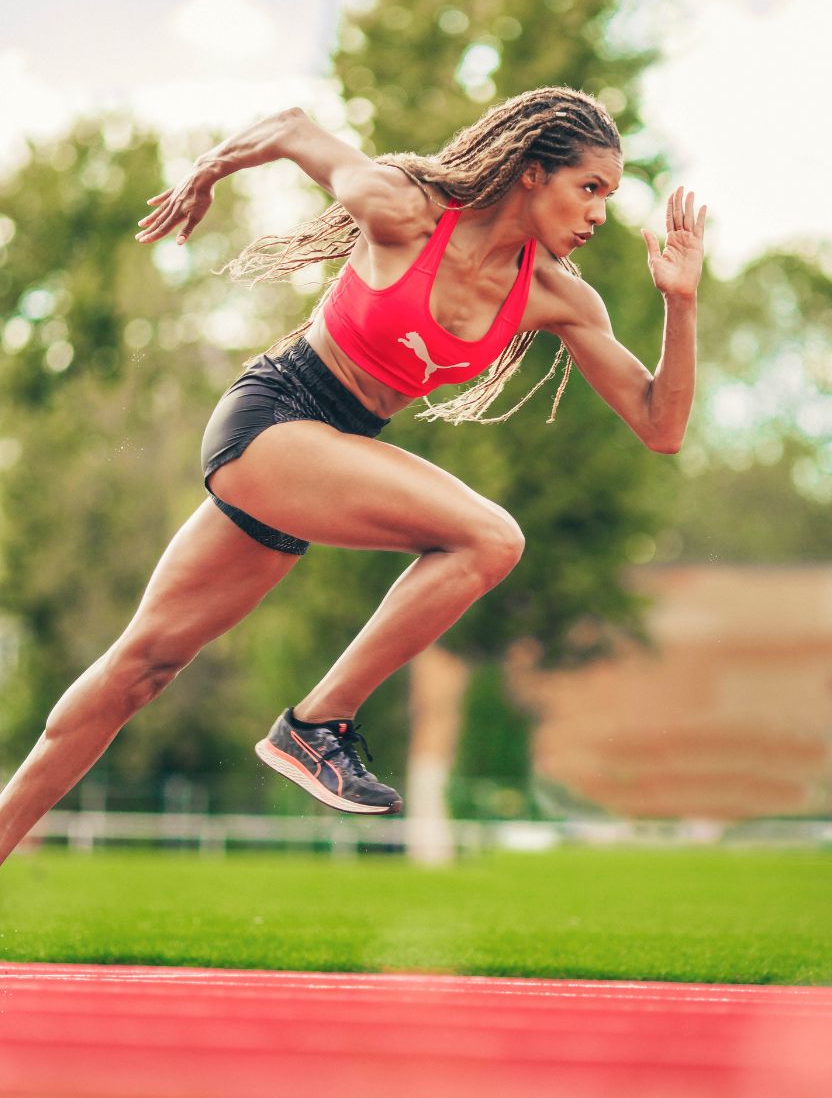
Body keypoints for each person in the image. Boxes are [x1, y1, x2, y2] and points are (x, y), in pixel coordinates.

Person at [0, 87, 705, 859]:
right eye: (590, 188)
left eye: (608, 194)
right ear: (532, 172)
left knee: (142, 667)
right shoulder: (405, 212)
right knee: (489, 538)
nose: (601, 213)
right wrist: (208, 168)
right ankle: (317, 724)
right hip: (274, 419)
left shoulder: (556, 295)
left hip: (323, 459)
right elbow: (293, 128)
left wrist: (681, 305)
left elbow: (660, 425)